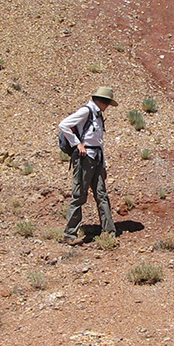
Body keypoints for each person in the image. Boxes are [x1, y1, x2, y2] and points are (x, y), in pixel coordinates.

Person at [60, 86, 118, 246]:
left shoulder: (98, 115)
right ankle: (69, 234)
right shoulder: (86, 111)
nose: (107, 108)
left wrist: (103, 164)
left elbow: (99, 142)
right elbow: (63, 125)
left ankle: (109, 232)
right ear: (103, 101)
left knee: (101, 194)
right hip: (85, 159)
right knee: (79, 195)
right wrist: (77, 144)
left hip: (96, 159)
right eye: (107, 104)